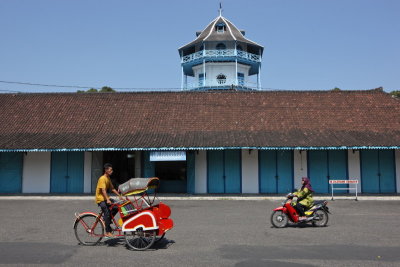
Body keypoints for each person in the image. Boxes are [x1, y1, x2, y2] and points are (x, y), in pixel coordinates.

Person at [95, 163, 123, 238]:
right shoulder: (102, 178)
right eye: (110, 170)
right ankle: (107, 232)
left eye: (112, 170)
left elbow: (112, 188)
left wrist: (119, 196)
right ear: (106, 170)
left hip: (106, 198)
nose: (112, 171)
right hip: (101, 199)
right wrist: (107, 199)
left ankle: (106, 220)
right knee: (107, 213)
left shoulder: (108, 178)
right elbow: (103, 190)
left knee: (117, 206)